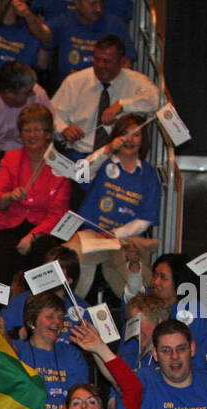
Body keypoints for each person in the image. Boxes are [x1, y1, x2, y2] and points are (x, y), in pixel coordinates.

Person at [66, 114, 160, 298]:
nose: (129, 139)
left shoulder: (148, 174)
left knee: (134, 284)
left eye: (136, 135)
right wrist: (107, 150)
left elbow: (145, 220)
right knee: (70, 260)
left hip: (126, 239)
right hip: (92, 234)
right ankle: (72, 310)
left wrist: (115, 233)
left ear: (143, 140)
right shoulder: (104, 161)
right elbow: (81, 174)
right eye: (124, 133)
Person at [0, 103, 69, 281]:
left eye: (37, 130)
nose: (31, 135)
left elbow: (58, 214)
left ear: (48, 134)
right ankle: (0, 306)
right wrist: (9, 196)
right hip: (6, 222)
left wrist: (32, 236)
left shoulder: (61, 166)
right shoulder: (10, 158)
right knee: (0, 253)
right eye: (26, 130)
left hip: (41, 229)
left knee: (44, 249)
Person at [49, 35, 158, 158]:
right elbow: (51, 114)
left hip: (119, 155)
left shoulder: (136, 81)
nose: (101, 65)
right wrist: (64, 129)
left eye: (107, 61)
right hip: (81, 153)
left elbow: (157, 100)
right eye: (97, 59)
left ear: (122, 62)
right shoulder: (75, 82)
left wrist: (122, 105)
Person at [13, 291, 89, 409]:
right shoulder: (18, 351)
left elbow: (78, 396)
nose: (57, 322)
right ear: (31, 322)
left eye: (60, 317)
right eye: (50, 317)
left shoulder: (72, 354)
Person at [42, 0, 136, 84]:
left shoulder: (115, 25)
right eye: (93, 4)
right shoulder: (64, 22)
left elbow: (127, 64)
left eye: (101, 2)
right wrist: (26, 12)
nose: (98, 9)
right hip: (73, 91)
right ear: (77, 3)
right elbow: (42, 33)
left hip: (107, 90)